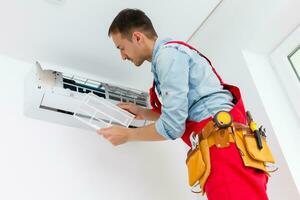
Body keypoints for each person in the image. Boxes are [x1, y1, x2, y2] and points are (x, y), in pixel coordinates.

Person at [97, 8, 270, 200]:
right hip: (226, 147)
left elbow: (173, 126)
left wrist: (128, 135)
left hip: (223, 149)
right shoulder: (169, 58)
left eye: (121, 47)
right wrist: (142, 112)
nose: (122, 56)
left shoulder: (168, 56)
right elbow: (186, 113)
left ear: (137, 37)